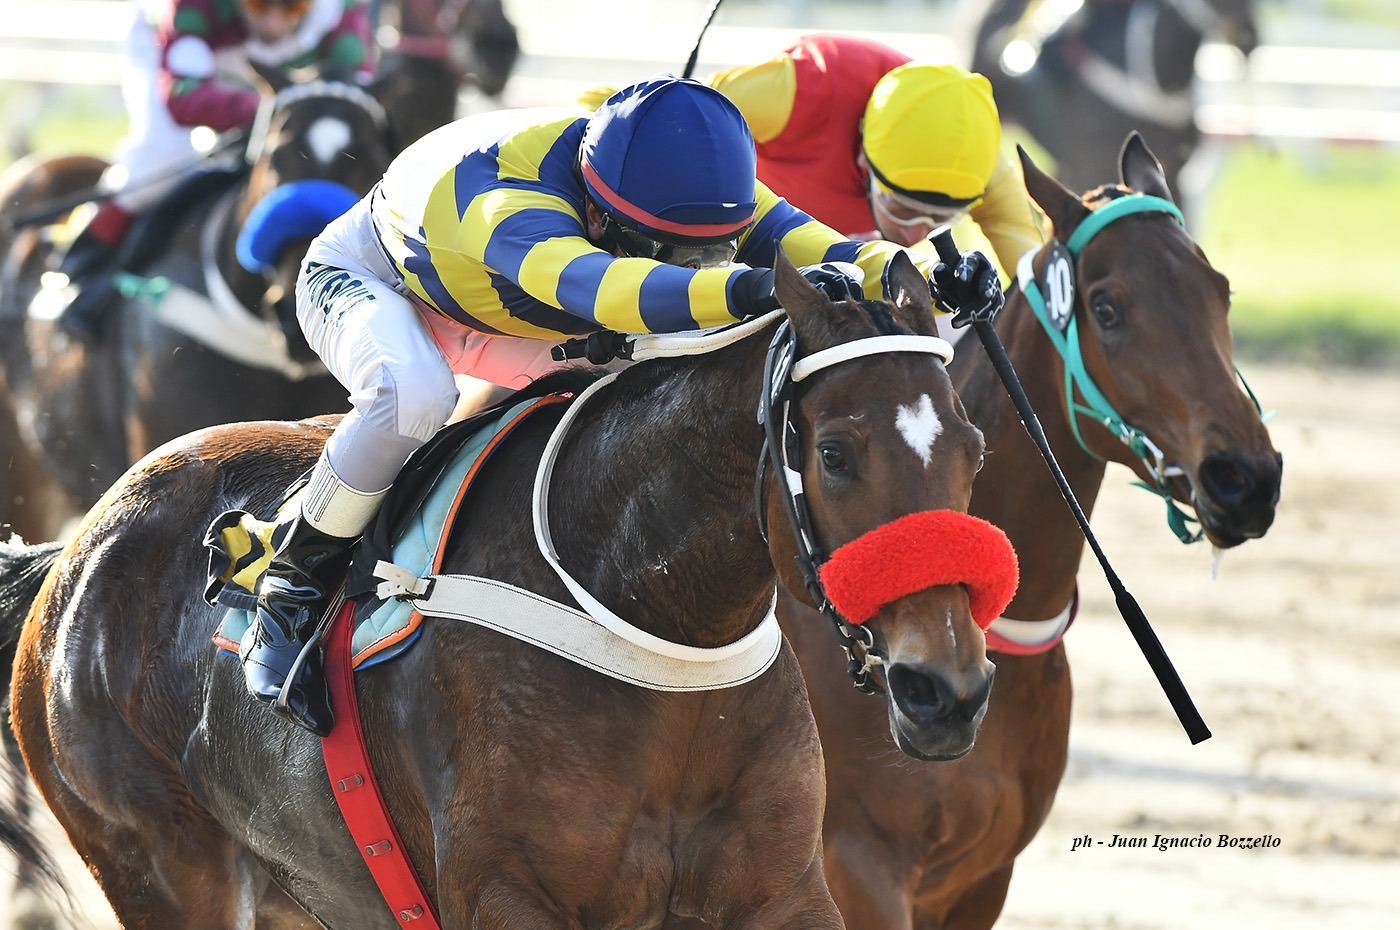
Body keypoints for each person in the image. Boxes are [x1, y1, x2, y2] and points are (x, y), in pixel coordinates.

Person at [240, 75, 1003, 736]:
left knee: (675, 372)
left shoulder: (700, 190)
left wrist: (922, 275)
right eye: (667, 247)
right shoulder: (504, 202)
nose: (693, 261)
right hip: (381, 283)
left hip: (517, 316)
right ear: (599, 213)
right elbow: (605, 289)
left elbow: (819, 246)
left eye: (712, 247)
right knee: (414, 396)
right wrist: (745, 283)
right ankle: (289, 580)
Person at [53, 0, 374, 340]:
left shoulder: (342, 9)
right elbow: (183, 98)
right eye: (259, 5)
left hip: (270, 78)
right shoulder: (195, 6)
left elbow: (359, 97)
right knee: (162, 158)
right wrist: (271, 111)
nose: (274, 24)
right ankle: (82, 268)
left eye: (292, 8)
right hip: (168, 51)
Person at [704, 34, 1045, 272]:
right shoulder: (801, 91)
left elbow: (1034, 278)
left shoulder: (976, 162)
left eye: (941, 219)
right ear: (864, 160)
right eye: (901, 208)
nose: (915, 236)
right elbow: (688, 115)